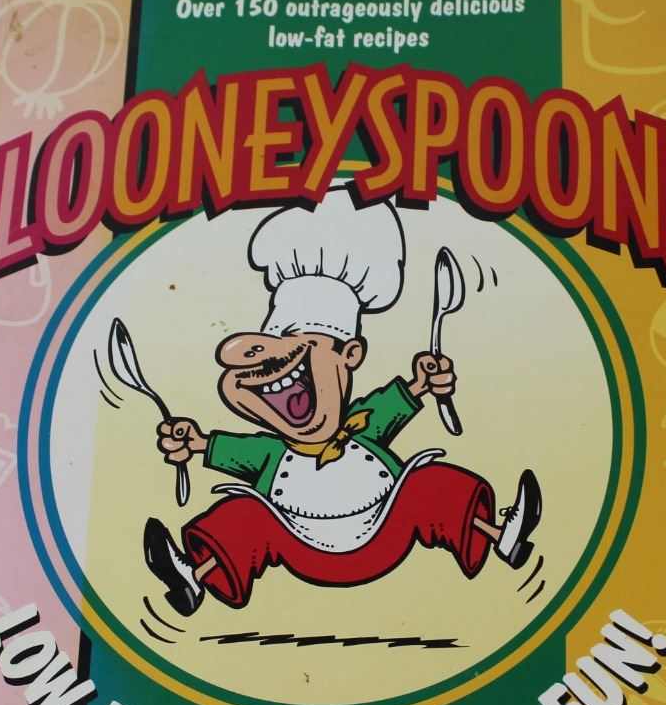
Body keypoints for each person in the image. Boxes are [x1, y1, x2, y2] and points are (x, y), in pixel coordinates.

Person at [141, 186, 540, 616]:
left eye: (303, 341)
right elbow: (225, 448)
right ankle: (193, 577)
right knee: (243, 514)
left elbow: (399, 398)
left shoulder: (364, 423)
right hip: (301, 546)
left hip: (385, 534)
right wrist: (194, 443)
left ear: (351, 355)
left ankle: (502, 536)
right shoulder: (270, 452)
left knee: (429, 485)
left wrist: (425, 381)